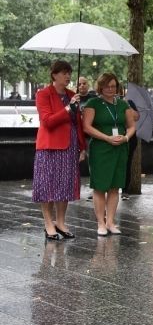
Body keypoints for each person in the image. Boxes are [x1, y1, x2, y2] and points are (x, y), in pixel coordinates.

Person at [32, 60, 87, 240]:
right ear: (54, 75)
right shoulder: (43, 94)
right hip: (49, 146)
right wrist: (68, 108)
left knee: (65, 185)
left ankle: (61, 223)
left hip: (69, 146)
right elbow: (47, 121)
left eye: (69, 73)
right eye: (64, 73)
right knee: (48, 185)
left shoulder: (73, 95)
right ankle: (49, 223)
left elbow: (77, 124)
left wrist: (82, 147)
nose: (67, 76)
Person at [82, 73, 136, 236]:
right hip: (101, 148)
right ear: (100, 87)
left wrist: (126, 137)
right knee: (100, 186)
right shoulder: (93, 103)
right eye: (107, 86)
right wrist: (106, 137)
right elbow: (86, 127)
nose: (110, 89)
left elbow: (132, 126)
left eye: (113, 86)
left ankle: (111, 221)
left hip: (119, 148)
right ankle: (100, 223)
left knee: (115, 186)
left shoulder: (122, 104)